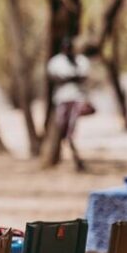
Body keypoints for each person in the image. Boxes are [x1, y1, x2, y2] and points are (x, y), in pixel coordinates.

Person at [47, 37, 92, 172]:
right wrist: (72, 77)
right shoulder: (56, 62)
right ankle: (66, 150)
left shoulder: (81, 60)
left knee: (71, 128)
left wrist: (72, 77)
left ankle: (74, 153)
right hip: (62, 98)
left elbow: (83, 77)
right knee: (62, 125)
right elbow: (57, 77)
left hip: (77, 97)